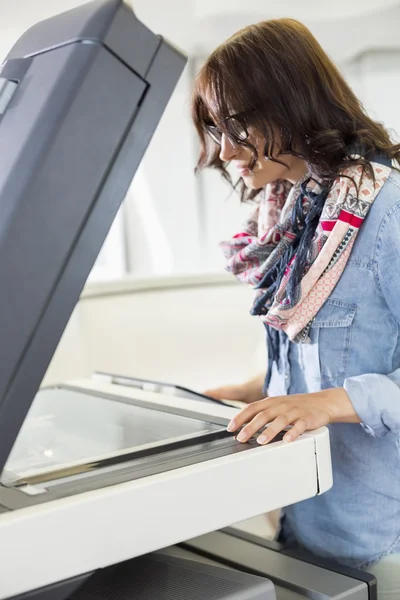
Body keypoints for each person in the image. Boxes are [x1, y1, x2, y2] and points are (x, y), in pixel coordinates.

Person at [191, 18, 400, 599]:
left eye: (239, 126)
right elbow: (326, 356)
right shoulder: (300, 215)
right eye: (216, 129)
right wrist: (255, 390)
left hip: (378, 539)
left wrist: (329, 403)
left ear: (292, 104)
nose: (227, 150)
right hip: (301, 516)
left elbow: (333, 386)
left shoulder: (389, 215)